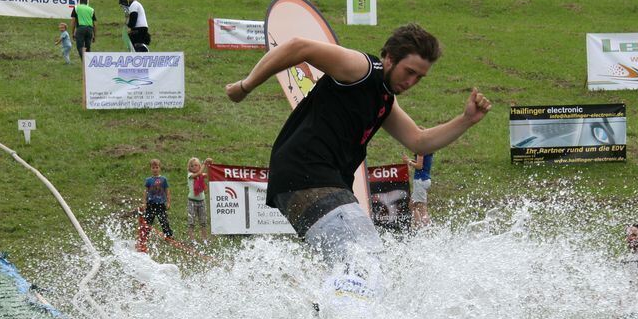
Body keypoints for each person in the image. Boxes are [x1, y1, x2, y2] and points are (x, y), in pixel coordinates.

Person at [225, 23, 491, 296]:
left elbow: (418, 141)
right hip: (307, 174)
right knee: (363, 259)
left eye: (419, 77)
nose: (411, 82)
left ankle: (317, 318)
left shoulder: (385, 98)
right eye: (409, 71)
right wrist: (245, 86)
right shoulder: (360, 68)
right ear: (389, 58)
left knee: (359, 266)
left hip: (312, 182)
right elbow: (297, 46)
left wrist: (466, 120)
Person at [143, 159, 172, 239]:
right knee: (148, 220)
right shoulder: (148, 180)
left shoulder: (163, 179)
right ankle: (144, 236)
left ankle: (168, 235)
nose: (155, 169)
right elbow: (145, 191)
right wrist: (144, 203)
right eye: (153, 168)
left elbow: (167, 191)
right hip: (150, 204)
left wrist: (168, 202)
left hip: (161, 204)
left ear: (160, 168)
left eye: (156, 167)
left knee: (164, 220)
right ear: (150, 169)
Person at [405, 151, 433, 228]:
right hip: (424, 179)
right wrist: (410, 160)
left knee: (422, 209)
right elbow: (421, 163)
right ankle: (418, 226)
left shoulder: (421, 150)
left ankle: (428, 230)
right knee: (411, 205)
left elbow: (419, 166)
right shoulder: (427, 149)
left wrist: (409, 162)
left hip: (420, 180)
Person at [187, 157, 212, 241]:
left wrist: (210, 165)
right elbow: (198, 174)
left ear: (199, 166)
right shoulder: (190, 175)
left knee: (203, 221)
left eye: (196, 165)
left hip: (202, 201)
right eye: (192, 166)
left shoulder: (201, 175)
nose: (194, 167)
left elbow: (210, 174)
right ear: (189, 167)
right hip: (192, 201)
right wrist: (205, 164)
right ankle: (192, 239)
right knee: (191, 222)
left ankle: (204, 238)